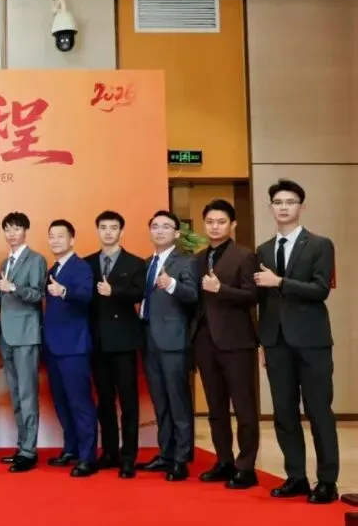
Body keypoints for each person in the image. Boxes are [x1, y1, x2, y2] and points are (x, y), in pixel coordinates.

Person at [254, 179, 338, 504]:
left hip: (312, 342)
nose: (284, 207)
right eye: (278, 202)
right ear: (270, 207)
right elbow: (263, 302)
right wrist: (263, 342)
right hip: (276, 342)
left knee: (319, 411)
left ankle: (327, 481)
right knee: (284, 412)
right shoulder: (263, 249)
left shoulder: (320, 245)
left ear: (302, 206)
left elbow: (320, 289)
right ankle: (296, 477)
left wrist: (280, 281)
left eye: (290, 202)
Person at [194, 199, 259, 489]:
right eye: (210, 222)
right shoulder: (198, 258)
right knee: (216, 407)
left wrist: (222, 289)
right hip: (205, 341)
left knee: (244, 407)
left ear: (232, 224)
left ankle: (246, 467)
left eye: (221, 222)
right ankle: (224, 460)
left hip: (237, 341)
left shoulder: (244, 256)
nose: (215, 227)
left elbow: (253, 295)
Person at [136, 210, 198, 482]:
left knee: (178, 401)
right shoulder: (148, 262)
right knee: (160, 401)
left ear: (176, 232)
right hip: (149, 338)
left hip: (173, 341)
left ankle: (181, 459)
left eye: (166, 226)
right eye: (155, 226)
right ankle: (166, 454)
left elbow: (193, 295)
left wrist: (171, 284)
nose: (159, 231)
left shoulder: (186, 261)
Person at [86, 210, 145, 478]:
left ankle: (128, 456)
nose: (108, 232)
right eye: (103, 227)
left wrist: (115, 291)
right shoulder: (87, 263)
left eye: (113, 227)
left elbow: (140, 293)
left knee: (129, 401)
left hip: (123, 341)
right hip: (97, 341)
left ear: (121, 231)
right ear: (97, 230)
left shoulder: (135, 262)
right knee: (105, 400)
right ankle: (110, 452)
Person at [41, 219, 97, 477]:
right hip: (53, 346)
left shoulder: (81, 266)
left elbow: (86, 295)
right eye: (51, 236)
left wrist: (63, 291)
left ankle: (87, 457)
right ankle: (71, 448)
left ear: (72, 239)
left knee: (79, 402)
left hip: (74, 346)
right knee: (61, 401)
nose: (55, 240)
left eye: (60, 236)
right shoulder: (53, 268)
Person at [0, 211, 46, 473]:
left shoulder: (36, 259)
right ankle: (22, 445)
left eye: (16, 229)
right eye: (7, 229)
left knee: (27, 394)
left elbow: (38, 294)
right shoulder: (6, 262)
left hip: (26, 335)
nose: (11, 234)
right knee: (15, 394)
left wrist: (13, 288)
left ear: (26, 231)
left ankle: (29, 451)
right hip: (7, 336)